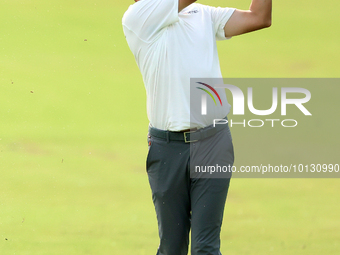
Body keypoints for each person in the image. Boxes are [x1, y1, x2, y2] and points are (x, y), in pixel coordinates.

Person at [122, 0, 271, 254]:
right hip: (167, 149)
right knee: (172, 248)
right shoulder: (139, 15)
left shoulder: (202, 13)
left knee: (206, 248)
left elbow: (259, 17)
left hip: (214, 142)